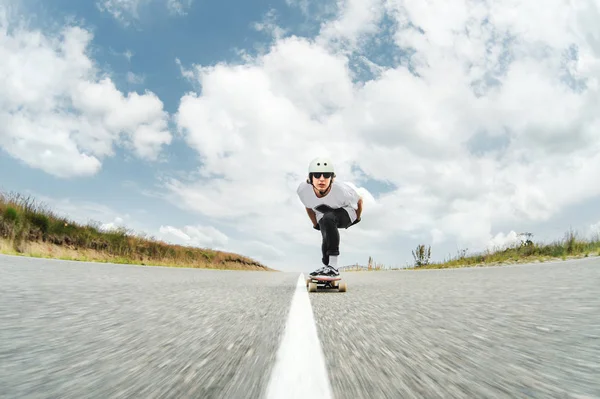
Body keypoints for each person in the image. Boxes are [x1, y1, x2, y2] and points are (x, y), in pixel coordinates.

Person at [296, 156, 363, 276]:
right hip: (325, 216)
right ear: (310, 178)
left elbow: (359, 201)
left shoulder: (342, 191)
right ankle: (328, 265)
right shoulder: (303, 190)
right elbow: (309, 207)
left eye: (326, 175)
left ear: (332, 178)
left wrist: (357, 218)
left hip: (347, 213)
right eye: (317, 175)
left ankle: (334, 267)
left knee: (328, 217)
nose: (321, 179)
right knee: (325, 236)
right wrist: (316, 224)